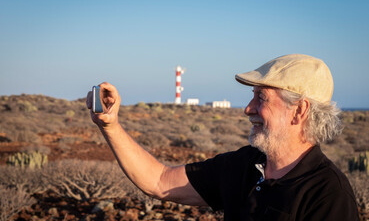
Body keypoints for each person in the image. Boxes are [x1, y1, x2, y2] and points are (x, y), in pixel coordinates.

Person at [86, 54, 359, 220]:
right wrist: (110, 126)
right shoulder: (243, 165)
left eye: (261, 98)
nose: (248, 109)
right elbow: (159, 181)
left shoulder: (328, 194)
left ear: (299, 111)